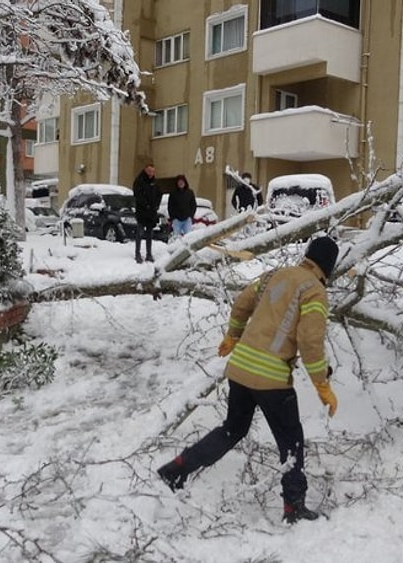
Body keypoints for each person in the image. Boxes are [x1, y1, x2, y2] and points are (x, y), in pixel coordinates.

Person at [157, 236, 340, 524]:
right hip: (271, 379)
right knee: (291, 441)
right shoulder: (315, 290)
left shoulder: (273, 275)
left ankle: (177, 469)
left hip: (240, 369)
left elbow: (242, 303)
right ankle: (294, 508)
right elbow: (310, 340)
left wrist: (233, 335)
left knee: (232, 429)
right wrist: (322, 383)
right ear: (329, 267)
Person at [132, 161, 162, 263]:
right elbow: (138, 196)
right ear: (145, 170)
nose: (151, 173)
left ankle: (149, 254)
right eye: (149, 171)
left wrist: (156, 205)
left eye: (153, 171)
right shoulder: (139, 181)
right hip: (142, 212)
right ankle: (137, 253)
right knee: (140, 233)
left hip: (152, 213)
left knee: (149, 234)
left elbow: (159, 194)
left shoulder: (155, 182)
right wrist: (146, 205)